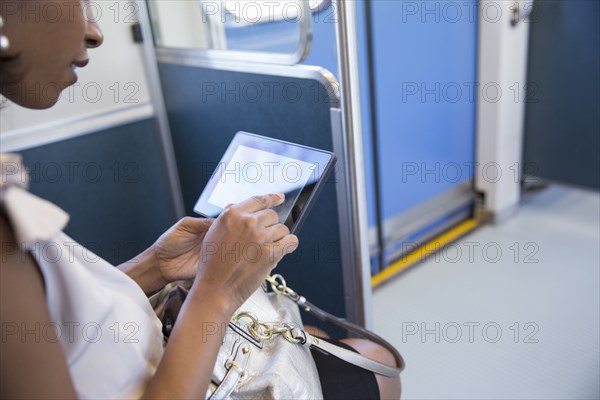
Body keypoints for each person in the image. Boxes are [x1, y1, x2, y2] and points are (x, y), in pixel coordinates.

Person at [0, 1, 401, 398]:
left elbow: (63, 327)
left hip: (150, 349)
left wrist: (154, 265)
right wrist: (217, 293)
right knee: (378, 363)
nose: (95, 31)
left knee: (312, 335)